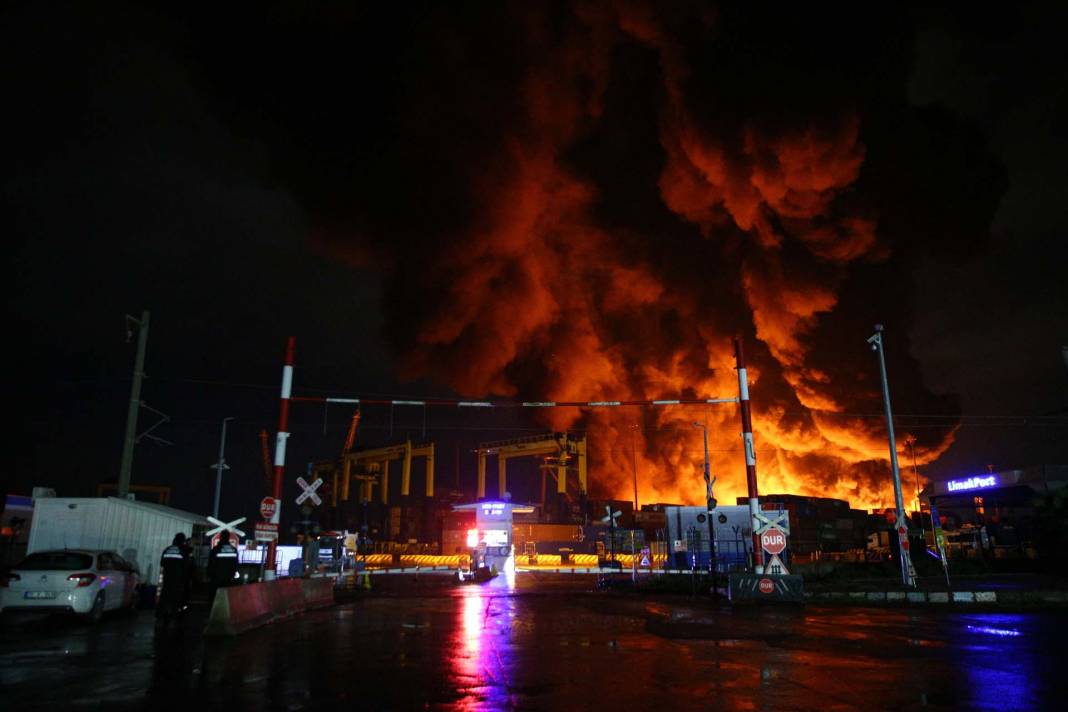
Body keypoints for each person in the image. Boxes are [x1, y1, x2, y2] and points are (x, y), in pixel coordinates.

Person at [156, 533, 192, 627]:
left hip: (167, 578)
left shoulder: (167, 549)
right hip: (178, 579)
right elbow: (186, 566)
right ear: (183, 541)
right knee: (176, 598)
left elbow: (162, 563)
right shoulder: (183, 551)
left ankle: (161, 616)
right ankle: (173, 617)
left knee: (165, 597)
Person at [206, 536, 239, 604]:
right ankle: (224, 608)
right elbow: (236, 563)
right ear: (228, 538)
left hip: (216, 576)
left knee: (214, 594)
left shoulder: (216, 549)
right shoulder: (233, 549)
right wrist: (233, 574)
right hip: (228, 577)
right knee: (226, 595)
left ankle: (213, 608)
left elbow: (211, 562)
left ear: (221, 538)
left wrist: (209, 573)